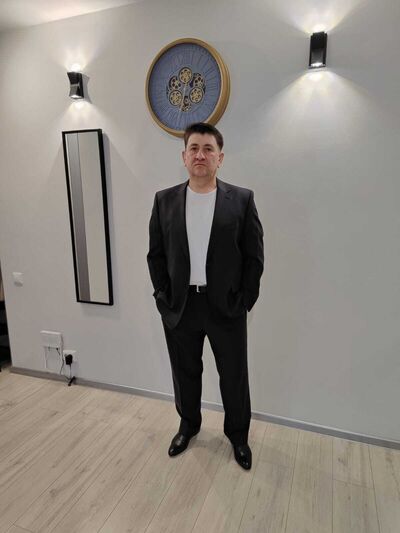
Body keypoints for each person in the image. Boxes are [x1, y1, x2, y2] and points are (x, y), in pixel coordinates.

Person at [147, 122, 264, 469]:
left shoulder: (241, 200)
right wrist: (162, 296)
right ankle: (188, 426)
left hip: (226, 306)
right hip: (181, 306)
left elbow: (254, 256)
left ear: (220, 158)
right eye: (194, 148)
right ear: (184, 156)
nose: (200, 155)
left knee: (234, 375)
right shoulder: (164, 200)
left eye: (208, 149)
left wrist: (244, 300)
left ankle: (238, 436)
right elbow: (156, 255)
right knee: (185, 372)